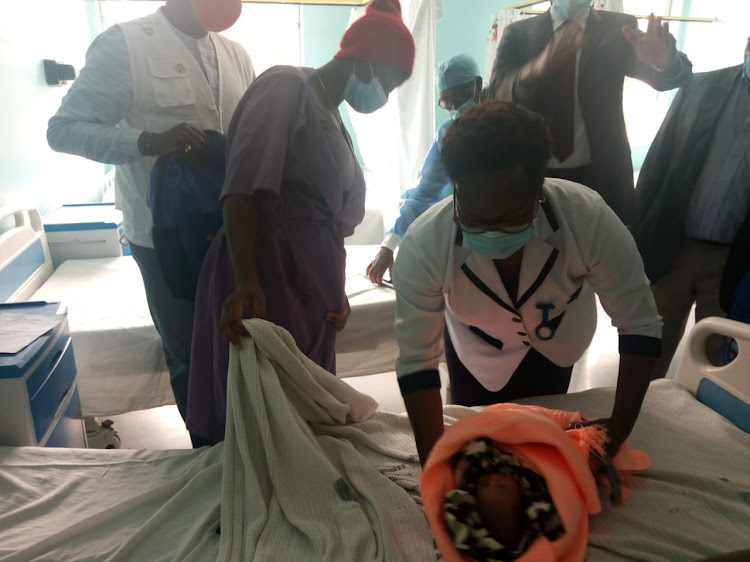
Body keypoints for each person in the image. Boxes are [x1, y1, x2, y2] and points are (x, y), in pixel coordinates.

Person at [187, 0, 415, 446]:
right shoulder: (286, 87)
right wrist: (247, 278)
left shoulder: (332, 114)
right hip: (269, 273)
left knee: (306, 419)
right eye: (389, 80)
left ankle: (303, 496)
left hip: (311, 292)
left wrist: (335, 290)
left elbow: (327, 225)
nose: (386, 95)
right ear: (366, 58)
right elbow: (241, 188)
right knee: (267, 417)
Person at [392, 101, 662, 466]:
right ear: (455, 190)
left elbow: (640, 324)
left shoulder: (587, 218)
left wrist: (617, 429)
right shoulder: (424, 245)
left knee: (543, 437)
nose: (491, 230)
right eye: (472, 216)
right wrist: (435, 464)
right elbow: (416, 362)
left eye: (511, 217)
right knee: (478, 438)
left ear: (539, 189)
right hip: (476, 354)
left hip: (558, 343)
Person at [46, 0, 255, 434]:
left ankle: (247, 448)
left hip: (230, 231)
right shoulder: (125, 44)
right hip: (166, 239)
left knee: (240, 344)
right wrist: (147, 141)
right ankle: (209, 457)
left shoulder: (236, 54)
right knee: (188, 353)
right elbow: (63, 129)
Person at [488, 0, 692, 224]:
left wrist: (664, 63)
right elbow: (497, 94)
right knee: (540, 251)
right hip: (534, 175)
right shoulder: (519, 33)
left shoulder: (619, 28)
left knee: (602, 254)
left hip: (601, 173)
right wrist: (535, 69)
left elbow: (668, 77)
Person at [634, 38, 750, 379]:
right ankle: (632, 424)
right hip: (674, 248)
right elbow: (658, 164)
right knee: (648, 352)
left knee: (720, 366)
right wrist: (636, 235)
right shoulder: (702, 88)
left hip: (735, 262)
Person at [367, 54, 482, 285]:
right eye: (445, 102)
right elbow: (425, 190)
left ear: (476, 86)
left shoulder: (507, 127)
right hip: (454, 243)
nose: (453, 107)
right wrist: (390, 244)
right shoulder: (448, 133)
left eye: (457, 97)